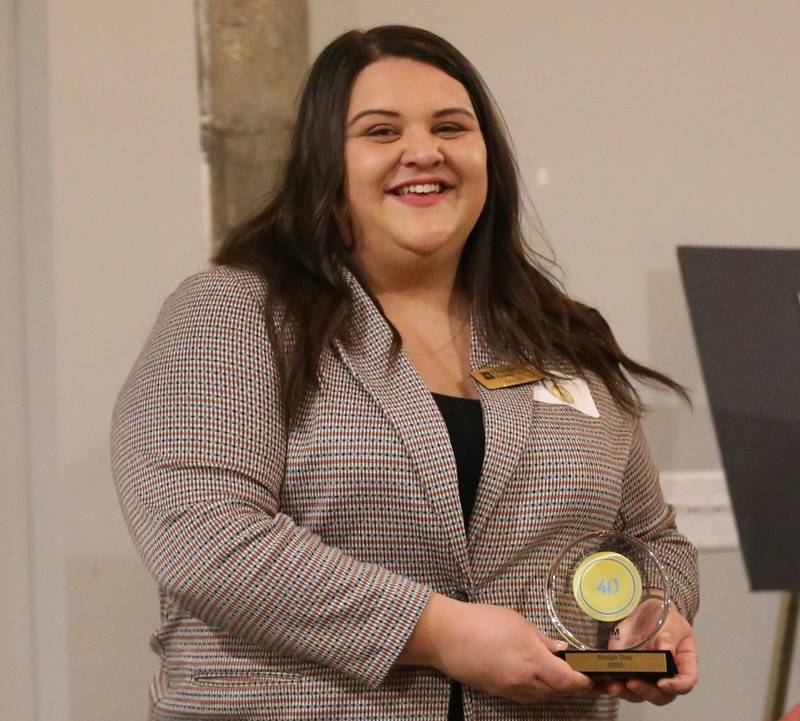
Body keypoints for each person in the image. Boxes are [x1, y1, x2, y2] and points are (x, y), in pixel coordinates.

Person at [111, 25, 699, 721]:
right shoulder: (233, 313)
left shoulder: (564, 338)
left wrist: (655, 614)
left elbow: (652, 540)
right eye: (381, 131)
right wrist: (443, 633)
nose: (425, 152)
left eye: (451, 126)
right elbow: (202, 533)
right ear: (325, 162)